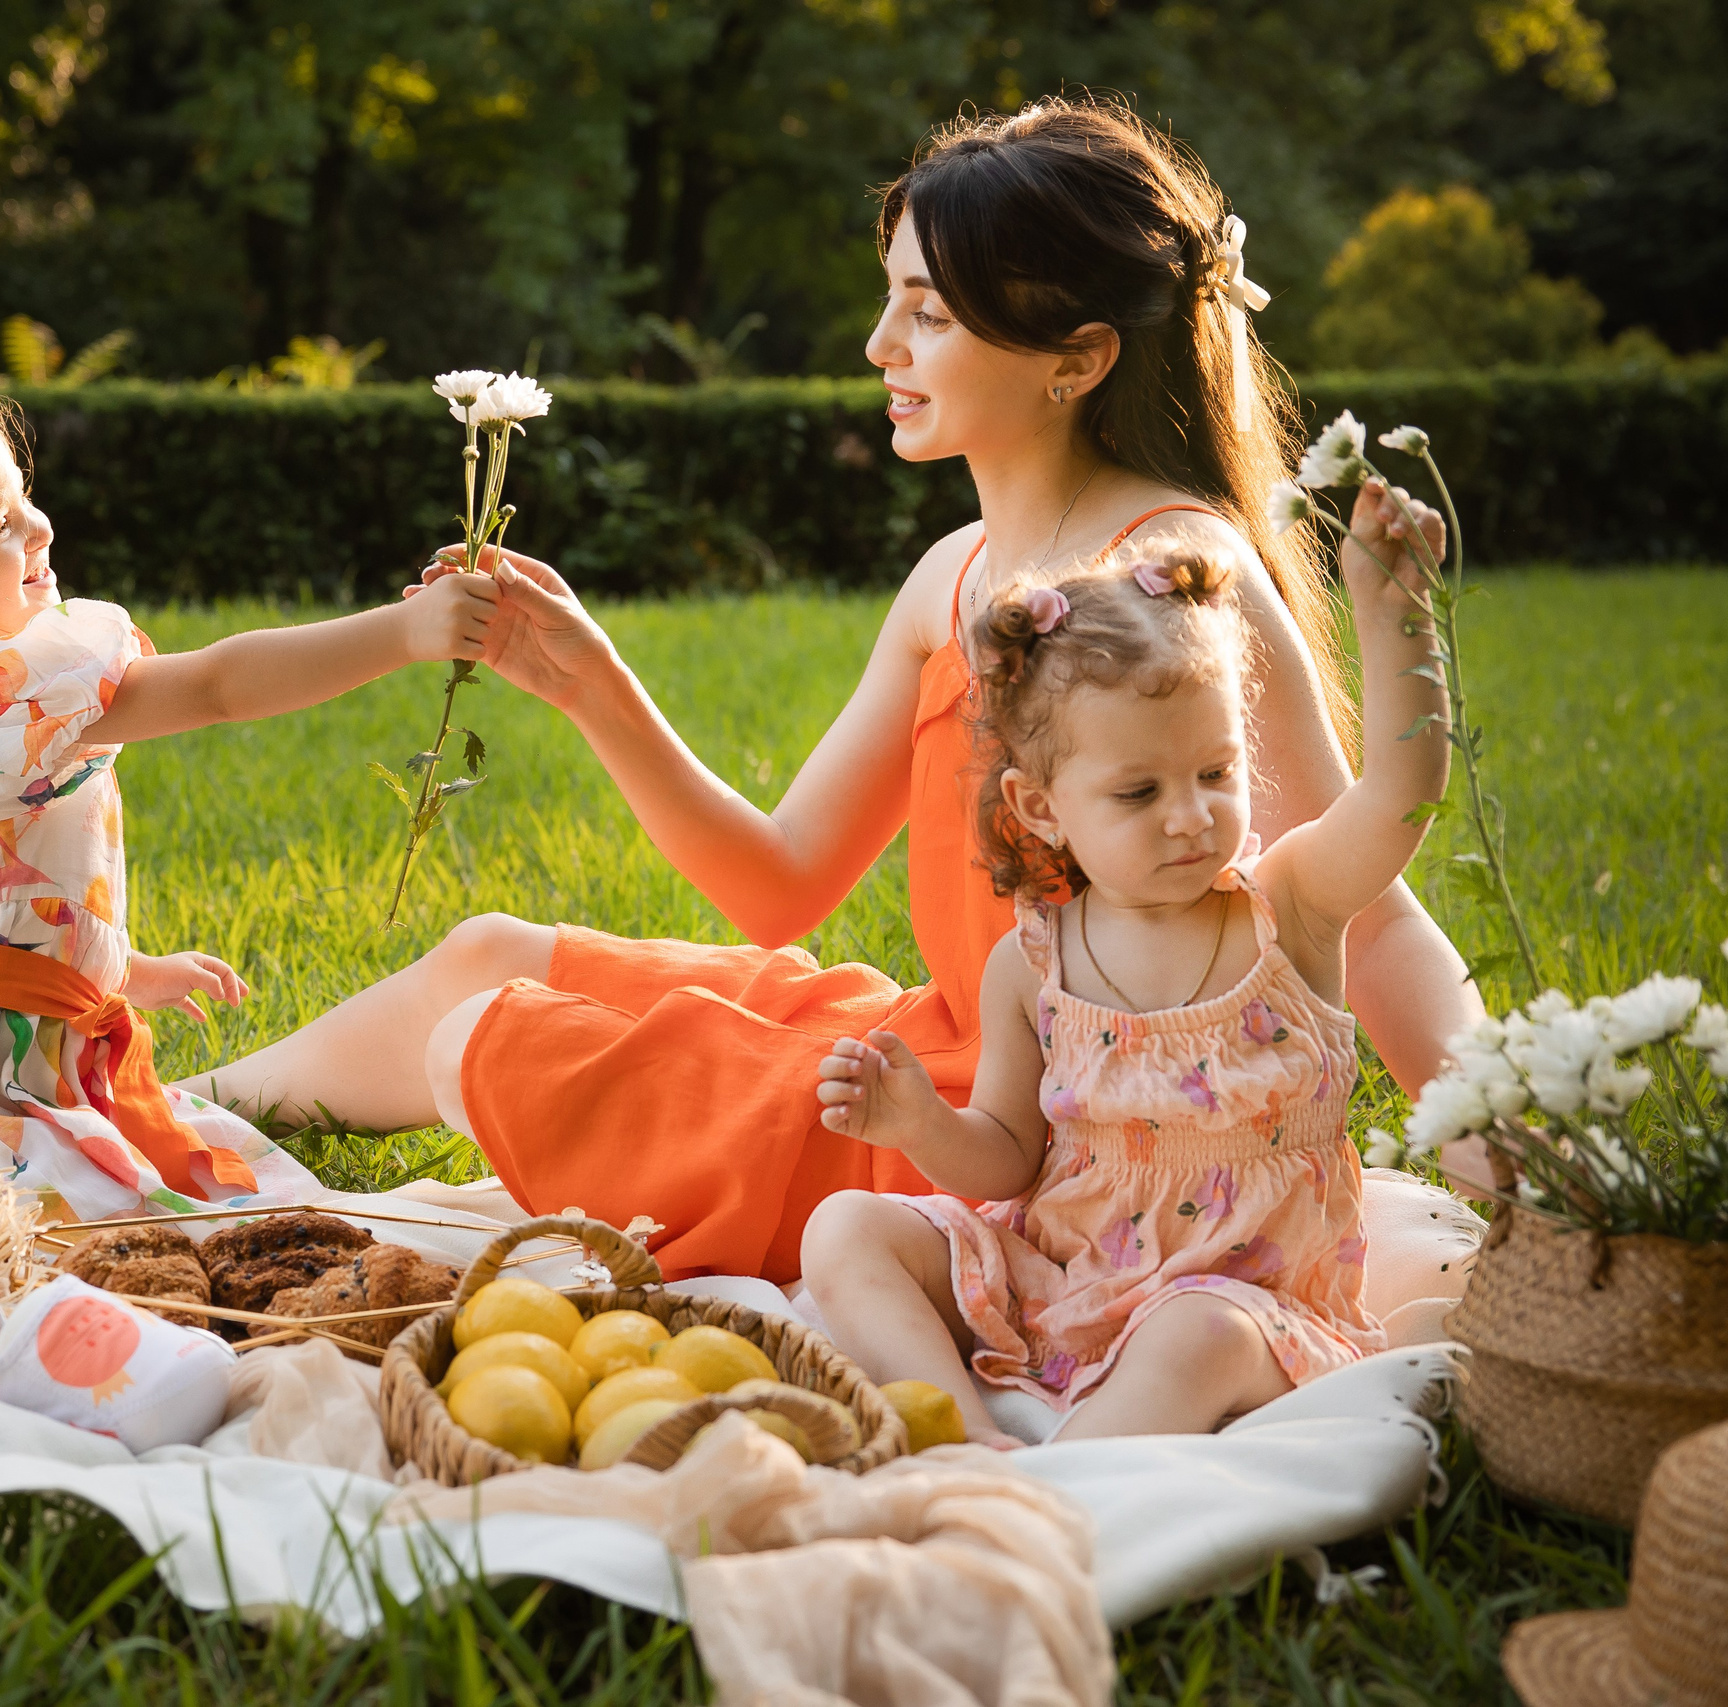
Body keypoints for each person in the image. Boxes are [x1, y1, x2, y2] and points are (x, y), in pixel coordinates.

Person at [184, 98, 1481, 1284]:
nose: (881, 343)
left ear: (1073, 357)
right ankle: (148, 1107)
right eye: (891, 299)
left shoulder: (1175, 573)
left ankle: (164, 1129)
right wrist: (588, 681)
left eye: (927, 310)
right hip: (945, 1047)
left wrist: (1509, 1149)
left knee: (493, 1035)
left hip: (1022, 1132)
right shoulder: (950, 576)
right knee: (485, 955)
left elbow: (1365, 913)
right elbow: (781, 881)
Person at [0, 365, 499, 1220]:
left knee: (230, 1193)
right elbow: (223, 685)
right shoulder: (9, 707)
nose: (39, 525)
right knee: (194, 1222)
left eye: (25, 494)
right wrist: (403, 631)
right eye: (2, 523)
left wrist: (118, 970)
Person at [804, 511, 1445, 1446]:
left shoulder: (1288, 906)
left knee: (1195, 1334)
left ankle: (1074, 1481)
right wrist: (919, 1125)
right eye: (1139, 792)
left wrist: (1396, 618)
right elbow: (1009, 1156)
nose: (1190, 817)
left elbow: (1398, 796)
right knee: (844, 1227)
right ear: (1042, 806)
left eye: (1217, 772)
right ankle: (962, 1436)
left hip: (1247, 1302)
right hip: (1064, 1283)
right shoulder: (1032, 964)